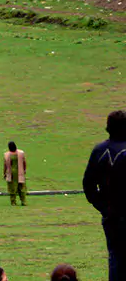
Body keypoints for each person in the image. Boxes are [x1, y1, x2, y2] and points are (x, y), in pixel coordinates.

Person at [84, 110, 126, 279]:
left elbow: (88, 185)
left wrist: (104, 208)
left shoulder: (99, 151)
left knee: (115, 258)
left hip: (112, 216)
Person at [3, 141, 27, 206]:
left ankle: (13, 202)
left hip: (11, 173)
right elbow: (24, 162)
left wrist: (4, 173)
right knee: (21, 187)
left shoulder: (6, 154)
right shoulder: (21, 153)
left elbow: (5, 165)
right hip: (20, 172)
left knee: (12, 188)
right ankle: (23, 201)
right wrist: (24, 170)